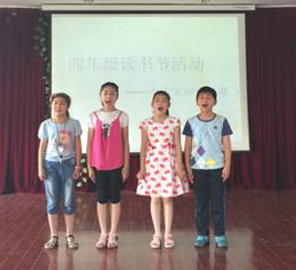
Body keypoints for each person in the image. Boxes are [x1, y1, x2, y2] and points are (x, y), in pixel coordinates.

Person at [136, 90, 189, 248]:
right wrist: (142, 168)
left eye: (164, 100)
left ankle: (168, 234)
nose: (160, 103)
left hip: (169, 162)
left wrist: (179, 166)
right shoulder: (146, 123)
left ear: (168, 105)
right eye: (157, 100)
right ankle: (157, 234)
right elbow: (143, 147)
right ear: (152, 104)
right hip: (152, 164)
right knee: (155, 199)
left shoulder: (174, 122)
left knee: (167, 199)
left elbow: (178, 145)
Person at [183, 86, 232, 249]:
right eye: (202, 97)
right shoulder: (191, 122)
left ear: (215, 102)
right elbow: (187, 145)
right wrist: (188, 167)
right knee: (201, 203)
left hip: (217, 167)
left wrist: (227, 166)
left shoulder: (222, 121)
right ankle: (202, 234)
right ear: (197, 102)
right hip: (198, 168)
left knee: (218, 203)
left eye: (209, 97)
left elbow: (227, 144)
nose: (205, 100)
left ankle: (220, 234)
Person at [86, 82, 130, 249]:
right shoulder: (93, 116)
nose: (108, 96)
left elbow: (126, 143)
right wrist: (89, 166)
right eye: (105, 93)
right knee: (101, 199)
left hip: (116, 164)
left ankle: (113, 233)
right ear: (100, 96)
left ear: (117, 97)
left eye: (112, 93)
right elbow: (89, 143)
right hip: (98, 164)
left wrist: (126, 166)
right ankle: (103, 233)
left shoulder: (122, 116)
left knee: (115, 198)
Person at [37, 92, 82, 249]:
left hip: (68, 164)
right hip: (50, 165)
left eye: (62, 103)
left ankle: (69, 236)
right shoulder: (46, 125)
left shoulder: (74, 123)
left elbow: (78, 145)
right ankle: (54, 236)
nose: (58, 106)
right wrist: (40, 166)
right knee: (52, 202)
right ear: (51, 105)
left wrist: (78, 165)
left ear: (67, 106)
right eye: (55, 103)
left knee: (69, 202)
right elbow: (42, 147)